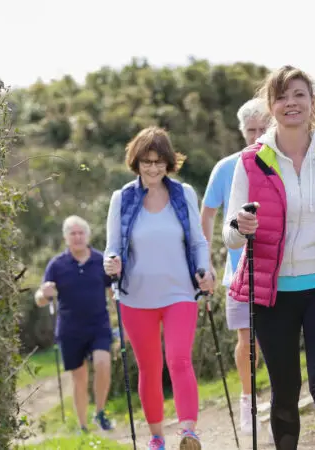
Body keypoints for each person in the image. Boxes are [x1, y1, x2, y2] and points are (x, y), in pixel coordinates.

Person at [222, 65, 315, 450]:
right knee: (286, 391)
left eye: (299, 95)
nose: (291, 103)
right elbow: (229, 237)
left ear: (312, 102)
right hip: (274, 294)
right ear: (271, 106)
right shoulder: (250, 160)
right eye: (282, 96)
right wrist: (241, 226)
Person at [103, 126, 214, 450]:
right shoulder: (121, 198)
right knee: (149, 368)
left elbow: (197, 240)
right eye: (146, 162)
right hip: (136, 297)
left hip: (180, 291)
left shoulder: (184, 194)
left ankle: (188, 433)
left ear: (168, 163)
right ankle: (156, 437)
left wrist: (204, 271)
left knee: (179, 359)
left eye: (159, 162)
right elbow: (112, 246)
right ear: (136, 162)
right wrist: (112, 262)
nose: (153, 168)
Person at [200, 97, 271, 435]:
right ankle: (249, 403)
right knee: (247, 339)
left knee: (275, 341)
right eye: (250, 130)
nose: (257, 136)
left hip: (279, 270)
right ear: (241, 131)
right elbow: (208, 212)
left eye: (263, 128)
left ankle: (276, 402)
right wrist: (205, 260)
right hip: (238, 271)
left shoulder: (283, 162)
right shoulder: (227, 166)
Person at [34, 215, 114, 433]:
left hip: (99, 325)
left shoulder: (101, 260)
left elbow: (114, 292)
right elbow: (41, 299)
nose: (77, 237)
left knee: (103, 364)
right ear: (66, 238)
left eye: (81, 233)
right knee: (79, 379)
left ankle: (100, 412)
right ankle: (83, 426)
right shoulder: (57, 265)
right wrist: (44, 293)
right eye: (73, 234)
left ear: (87, 236)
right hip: (70, 329)